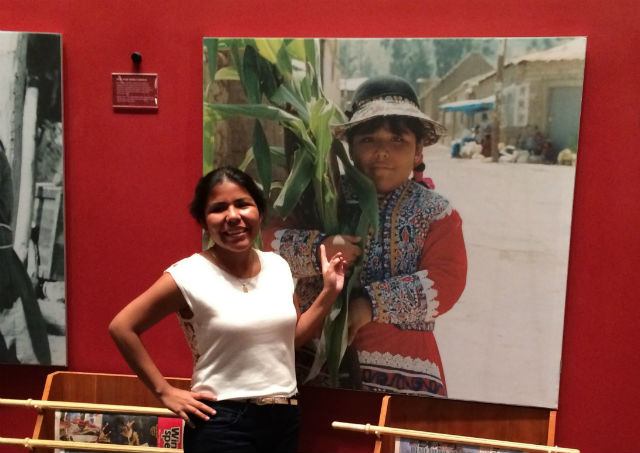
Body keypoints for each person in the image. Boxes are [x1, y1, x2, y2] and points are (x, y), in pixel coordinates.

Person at [109, 166, 346, 453]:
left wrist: (329, 292)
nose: (233, 216)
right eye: (219, 208)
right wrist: (164, 392)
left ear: (258, 211)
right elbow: (122, 327)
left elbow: (291, 339)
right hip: (222, 422)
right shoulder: (187, 275)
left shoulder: (278, 266)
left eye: (243, 204)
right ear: (203, 221)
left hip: (284, 414)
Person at [265, 75, 467, 397]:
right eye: (369, 140)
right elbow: (266, 248)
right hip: (312, 361)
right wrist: (320, 248)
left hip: (406, 372)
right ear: (350, 147)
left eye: (397, 140)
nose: (382, 153)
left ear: (418, 151)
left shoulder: (435, 213)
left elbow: (447, 281)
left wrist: (370, 305)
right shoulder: (319, 192)